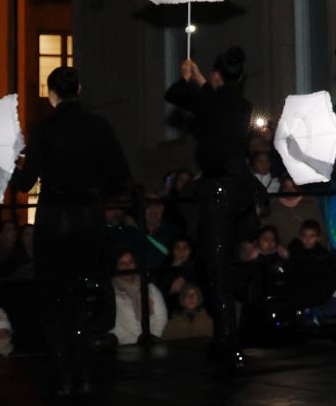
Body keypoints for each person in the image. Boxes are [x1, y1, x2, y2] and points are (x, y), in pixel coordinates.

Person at [9, 63, 131, 396]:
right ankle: (85, 371)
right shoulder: (99, 126)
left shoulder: (44, 130)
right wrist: (93, 191)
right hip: (88, 218)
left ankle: (63, 371)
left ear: (51, 96)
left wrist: (16, 165)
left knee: (53, 297)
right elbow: (120, 173)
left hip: (53, 218)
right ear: (79, 90)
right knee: (82, 295)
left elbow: (25, 183)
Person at [164, 46, 256, 373]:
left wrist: (187, 77)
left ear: (218, 75)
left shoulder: (209, 101)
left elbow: (174, 95)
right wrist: (202, 80)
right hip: (236, 192)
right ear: (241, 77)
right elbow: (214, 101)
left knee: (217, 270)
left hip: (216, 192)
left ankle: (229, 342)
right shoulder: (243, 105)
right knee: (221, 265)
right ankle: (226, 336)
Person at [109, 249, 167, 345]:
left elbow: (161, 317)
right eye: (122, 263)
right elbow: (113, 327)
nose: (127, 266)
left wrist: (151, 339)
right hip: (127, 349)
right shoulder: (111, 293)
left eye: (130, 262)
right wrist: (135, 343)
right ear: (116, 266)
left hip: (154, 344)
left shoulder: (150, 288)